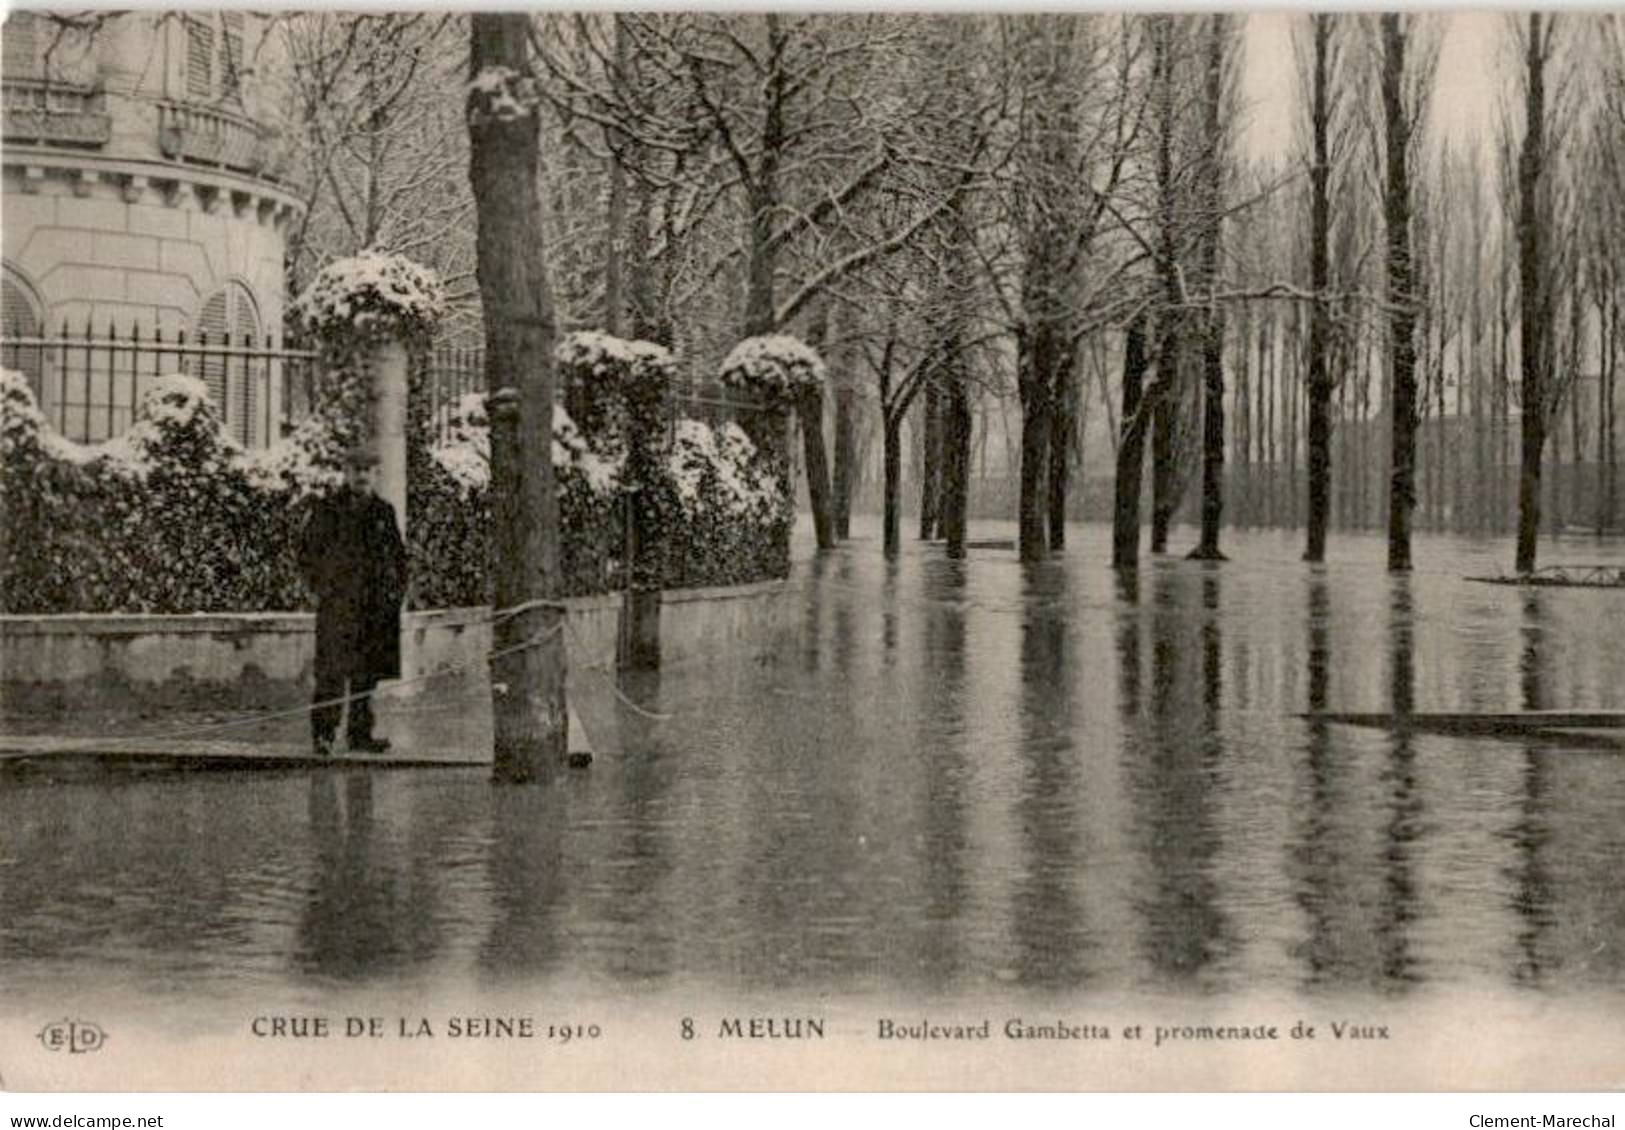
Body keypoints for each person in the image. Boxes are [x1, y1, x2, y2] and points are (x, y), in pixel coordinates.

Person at [298, 448, 407, 756]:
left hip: (373, 608)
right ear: (345, 472)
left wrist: (395, 593)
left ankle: (361, 734)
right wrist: (323, 589)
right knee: (331, 673)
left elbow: (398, 558)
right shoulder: (327, 509)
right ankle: (324, 735)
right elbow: (307, 554)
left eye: (368, 469)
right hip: (338, 606)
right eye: (355, 469)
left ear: (375, 474)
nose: (361, 476)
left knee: (366, 674)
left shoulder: (384, 512)